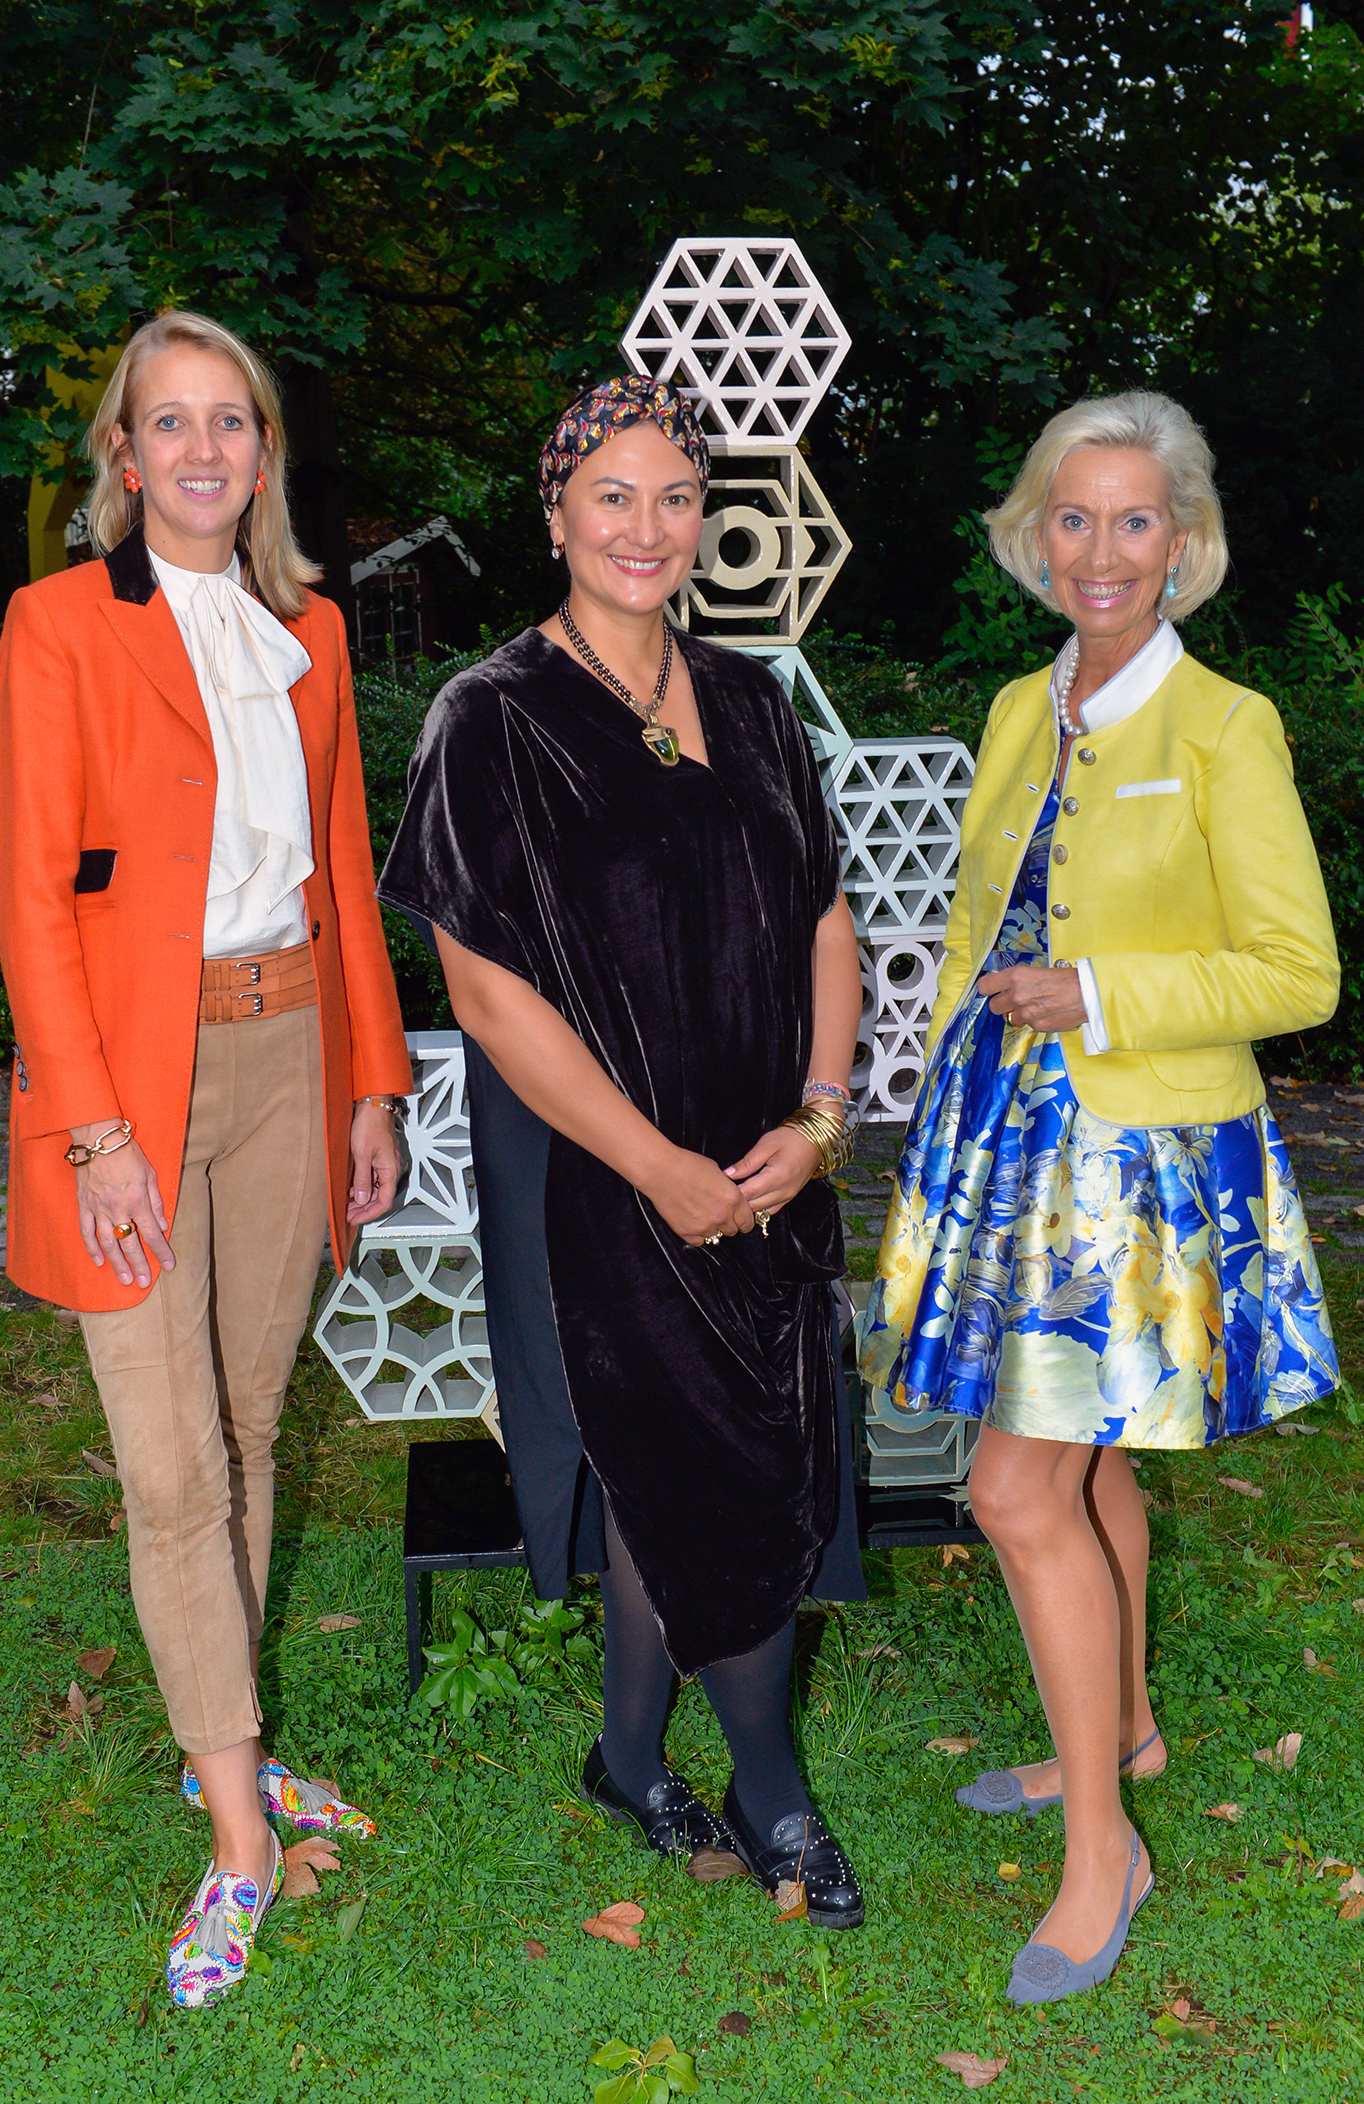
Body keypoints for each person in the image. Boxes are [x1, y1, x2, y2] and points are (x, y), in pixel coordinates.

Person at [860, 390, 1338, 2003]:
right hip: (1006, 1145)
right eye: (1074, 517)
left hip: (1139, 1161)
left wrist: (1103, 993)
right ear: (1035, 534)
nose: (1102, 550)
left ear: (1183, 545)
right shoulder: (1020, 707)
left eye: (1136, 520)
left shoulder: (1225, 727)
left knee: (1014, 1492)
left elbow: (1298, 972)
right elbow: (973, 923)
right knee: (1090, 1463)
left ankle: (1101, 1854)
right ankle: (1119, 1737)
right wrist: (940, 1093)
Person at [380, 374, 867, 1928]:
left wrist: (819, 1116)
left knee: (732, 1446)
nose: (645, 528)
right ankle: (772, 1789)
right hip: (601, 1171)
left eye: (675, 497)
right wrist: (656, 1166)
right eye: (612, 496)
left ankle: (628, 1754)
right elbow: (485, 992)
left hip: (765, 1154)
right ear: (555, 516)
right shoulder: (491, 715)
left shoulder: (752, 702)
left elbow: (826, 916)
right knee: (689, 1448)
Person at [0, 310, 412, 2007]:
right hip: (133, 1086)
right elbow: (32, 898)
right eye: (168, 423)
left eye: (229, 420)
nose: (202, 450)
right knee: (171, 1469)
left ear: (263, 449)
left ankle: (218, 1742)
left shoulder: (309, 626)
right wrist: (96, 1131)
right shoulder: (58, 626)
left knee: (247, 1427)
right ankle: (238, 1835)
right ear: (124, 453)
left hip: (292, 1048)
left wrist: (373, 1085)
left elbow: (343, 867)